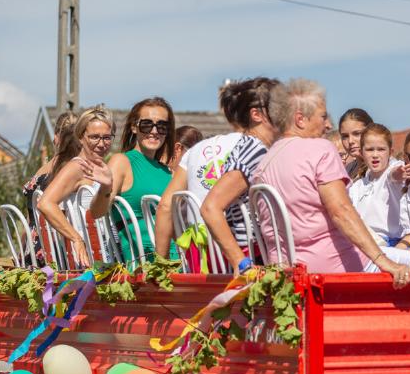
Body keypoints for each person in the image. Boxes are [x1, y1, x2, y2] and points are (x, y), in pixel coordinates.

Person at [252, 78, 410, 288]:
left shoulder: (264, 163)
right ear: (300, 119)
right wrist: (384, 263)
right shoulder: (320, 149)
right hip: (332, 267)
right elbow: (341, 211)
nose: (328, 124)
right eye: (323, 116)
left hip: (283, 273)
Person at [152, 86, 250, 260]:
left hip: (202, 254)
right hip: (245, 253)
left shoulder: (194, 151)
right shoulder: (255, 148)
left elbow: (165, 206)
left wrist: (161, 265)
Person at [200, 77, 281, 273]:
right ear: (257, 114)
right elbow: (211, 207)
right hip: (253, 255)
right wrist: (241, 262)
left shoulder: (256, 147)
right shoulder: (255, 151)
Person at [87, 97, 177, 262]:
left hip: (178, 257)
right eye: (147, 125)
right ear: (134, 127)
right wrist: (105, 188)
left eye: (162, 126)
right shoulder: (122, 161)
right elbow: (97, 212)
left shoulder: (168, 172)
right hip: (144, 262)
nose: (154, 131)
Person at [37, 105, 116, 268]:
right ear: (81, 137)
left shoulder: (99, 168)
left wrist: (107, 187)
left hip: (103, 256)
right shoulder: (77, 167)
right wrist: (76, 238)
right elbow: (45, 203)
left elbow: (98, 213)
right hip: (86, 262)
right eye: (94, 137)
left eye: (107, 138)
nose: (102, 144)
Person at [23, 111, 77, 266]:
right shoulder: (72, 173)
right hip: (57, 253)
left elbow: (30, 218)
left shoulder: (41, 171)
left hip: (31, 251)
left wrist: (22, 250)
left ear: (56, 137)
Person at [348, 123, 410, 246]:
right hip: (365, 241)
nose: (375, 155)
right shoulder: (358, 186)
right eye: (370, 149)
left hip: (391, 241)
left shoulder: (393, 169)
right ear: (361, 152)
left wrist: (398, 174)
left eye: (381, 149)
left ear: (390, 152)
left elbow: (393, 176)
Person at [338, 108, 373, 180]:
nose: (350, 141)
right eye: (345, 136)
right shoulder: (348, 169)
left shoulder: (386, 167)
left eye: (357, 134)